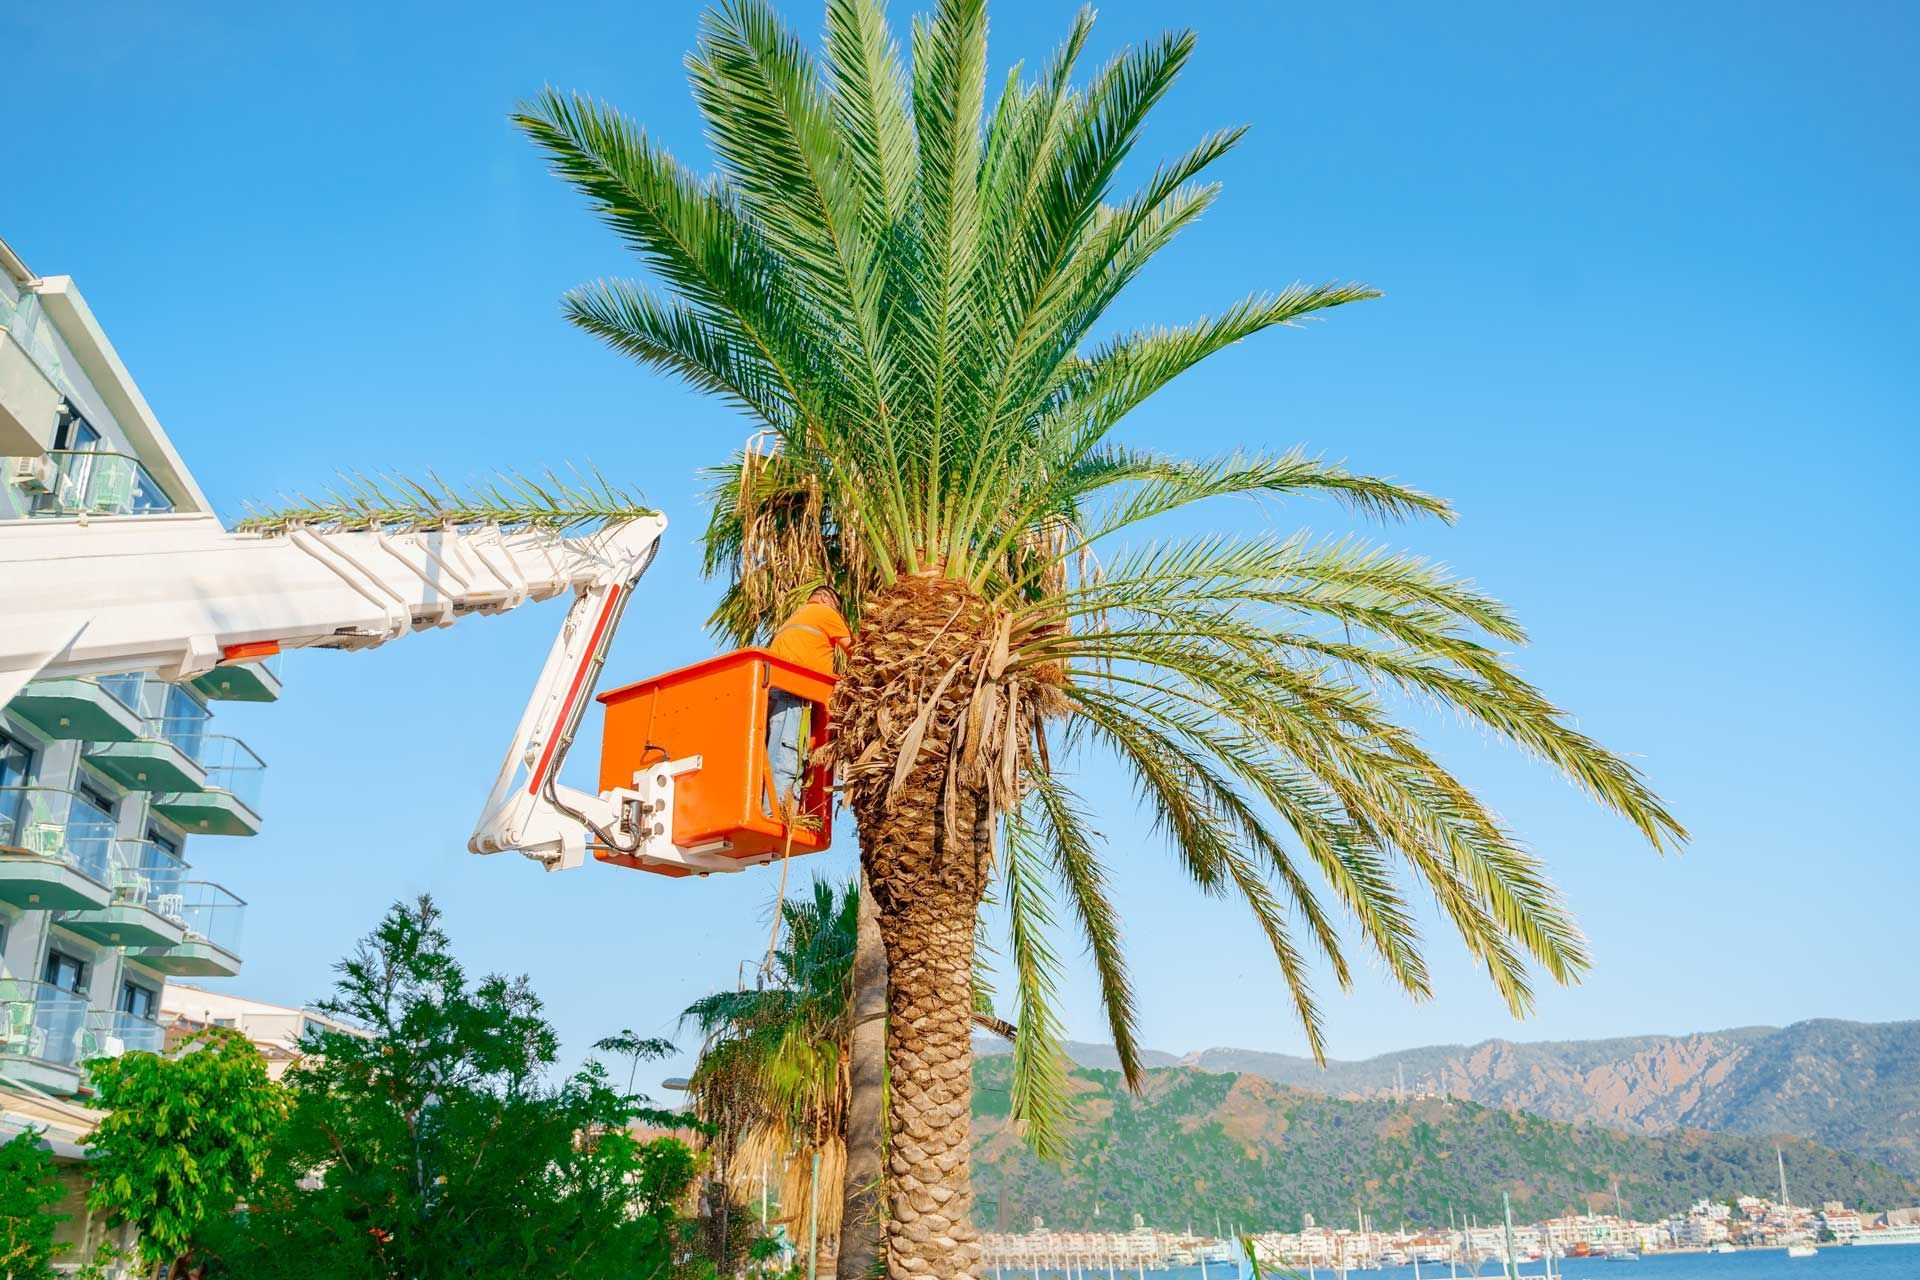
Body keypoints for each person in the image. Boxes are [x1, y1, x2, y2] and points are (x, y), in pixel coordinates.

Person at [763, 585, 851, 817]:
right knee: (788, 749)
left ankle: (769, 806)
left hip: (775, 690)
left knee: (775, 749)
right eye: (837, 608)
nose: (837, 614)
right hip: (795, 689)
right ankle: (779, 812)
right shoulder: (825, 612)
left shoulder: (797, 617)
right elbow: (854, 649)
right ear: (824, 598)